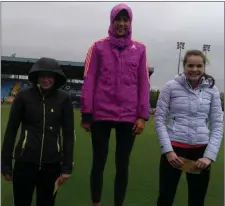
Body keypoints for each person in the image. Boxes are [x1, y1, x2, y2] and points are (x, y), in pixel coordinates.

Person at [80, 3, 150, 206]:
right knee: (98, 162)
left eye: (125, 20)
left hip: (128, 116)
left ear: (130, 23)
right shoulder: (97, 47)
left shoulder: (140, 49)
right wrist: (87, 113)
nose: (121, 24)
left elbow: (144, 83)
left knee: (123, 165)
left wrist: (142, 116)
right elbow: (89, 79)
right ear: (111, 21)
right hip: (101, 114)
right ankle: (96, 202)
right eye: (117, 20)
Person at [1, 57, 75, 206]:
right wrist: (5, 164)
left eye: (50, 76)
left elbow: (68, 133)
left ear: (55, 78)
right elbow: (11, 131)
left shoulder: (64, 99)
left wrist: (66, 167)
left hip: (52, 165)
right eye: (42, 76)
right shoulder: (23, 97)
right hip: (24, 162)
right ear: (36, 76)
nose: (46, 80)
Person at [154, 50, 224, 206]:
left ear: (204, 67)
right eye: (190, 65)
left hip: (200, 153)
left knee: (197, 200)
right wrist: (168, 151)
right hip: (174, 151)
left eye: (199, 65)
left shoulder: (212, 90)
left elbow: (218, 124)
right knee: (165, 198)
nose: (194, 69)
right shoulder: (170, 87)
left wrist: (209, 156)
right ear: (184, 66)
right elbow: (159, 120)